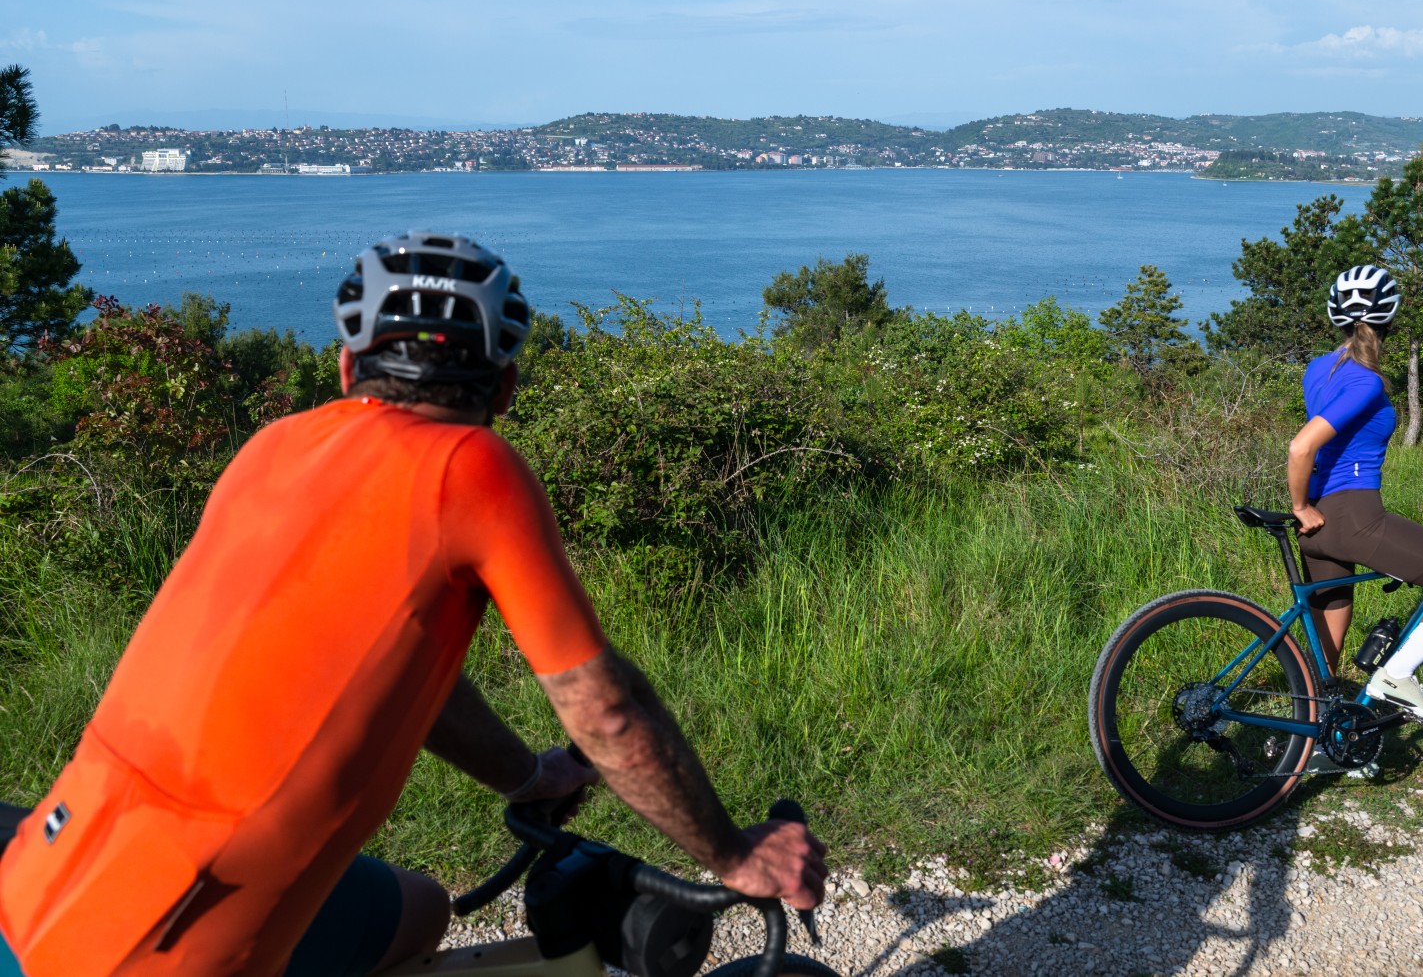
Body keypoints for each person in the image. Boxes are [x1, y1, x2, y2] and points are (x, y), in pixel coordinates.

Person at [0, 231, 827, 977]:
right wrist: (732, 854)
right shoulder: (473, 466)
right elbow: (606, 713)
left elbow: (394, 668)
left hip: (51, 863)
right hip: (169, 943)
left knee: (420, 910)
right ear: (504, 385)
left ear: (346, 368)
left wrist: (529, 774)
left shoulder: (273, 447)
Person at [1288, 264, 1423, 723]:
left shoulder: (1317, 368)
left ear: (1337, 314)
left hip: (1318, 528)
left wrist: (1307, 510)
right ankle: (1396, 674)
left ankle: (1314, 739)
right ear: (1389, 316)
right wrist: (1297, 504)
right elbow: (1302, 445)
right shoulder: (1366, 380)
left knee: (1327, 638)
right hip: (1353, 517)